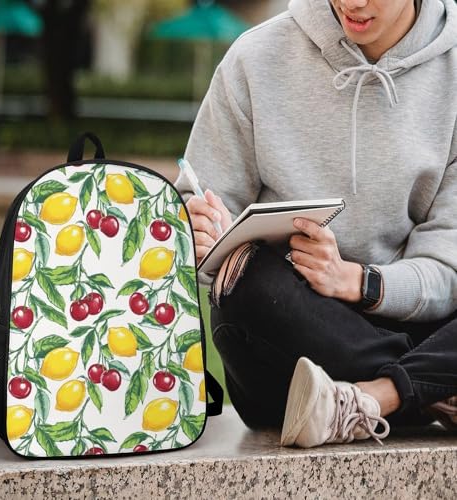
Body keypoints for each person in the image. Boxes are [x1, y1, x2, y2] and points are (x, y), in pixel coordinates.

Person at [174, 0, 457, 448]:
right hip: (288, 350)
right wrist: (196, 233)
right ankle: (434, 388)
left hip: (412, 324)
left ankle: (377, 397)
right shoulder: (255, 58)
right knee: (244, 275)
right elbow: (195, 212)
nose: (353, 3)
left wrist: (358, 281)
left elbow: (449, 268)